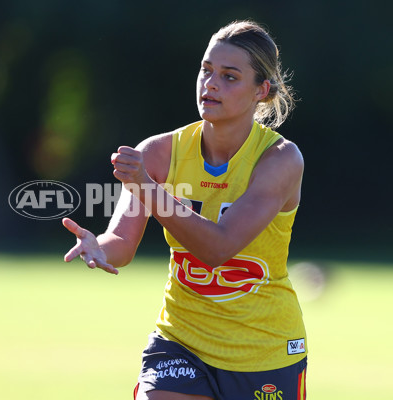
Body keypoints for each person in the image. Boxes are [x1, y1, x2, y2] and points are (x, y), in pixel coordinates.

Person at [63, 20, 307, 400]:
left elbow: (218, 248)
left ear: (262, 90)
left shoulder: (280, 159)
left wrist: (147, 187)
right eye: (206, 70)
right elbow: (122, 243)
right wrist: (99, 247)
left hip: (264, 350)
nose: (210, 84)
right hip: (180, 341)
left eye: (229, 77)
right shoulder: (158, 153)